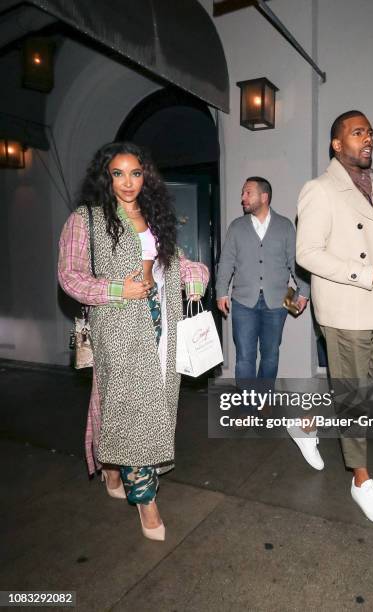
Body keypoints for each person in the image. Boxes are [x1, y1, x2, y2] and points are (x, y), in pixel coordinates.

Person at [58, 142, 208, 541]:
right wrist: (116, 289)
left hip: (165, 321)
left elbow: (179, 263)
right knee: (131, 405)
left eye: (136, 173)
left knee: (154, 400)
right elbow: (70, 277)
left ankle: (113, 463)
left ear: (147, 176)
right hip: (120, 325)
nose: (128, 182)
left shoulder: (155, 216)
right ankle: (146, 500)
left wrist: (196, 275)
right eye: (118, 173)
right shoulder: (86, 218)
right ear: (105, 177)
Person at [296, 111, 373, 527]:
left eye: (371, 132)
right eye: (358, 132)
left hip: (372, 304)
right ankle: (361, 480)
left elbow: (358, 245)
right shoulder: (320, 189)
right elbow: (307, 254)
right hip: (344, 310)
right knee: (353, 400)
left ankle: (306, 425)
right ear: (337, 143)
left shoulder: (370, 185)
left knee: (359, 392)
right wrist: (368, 274)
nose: (368, 139)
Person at [216, 176, 308, 395]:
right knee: (245, 358)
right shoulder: (236, 227)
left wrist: (304, 291)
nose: (243, 198)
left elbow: (295, 261)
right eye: (242, 193)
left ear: (264, 197)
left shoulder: (285, 226)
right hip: (242, 302)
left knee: (270, 355)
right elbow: (226, 261)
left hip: (277, 302)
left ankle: (263, 398)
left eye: (248, 193)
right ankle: (247, 406)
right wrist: (221, 292)